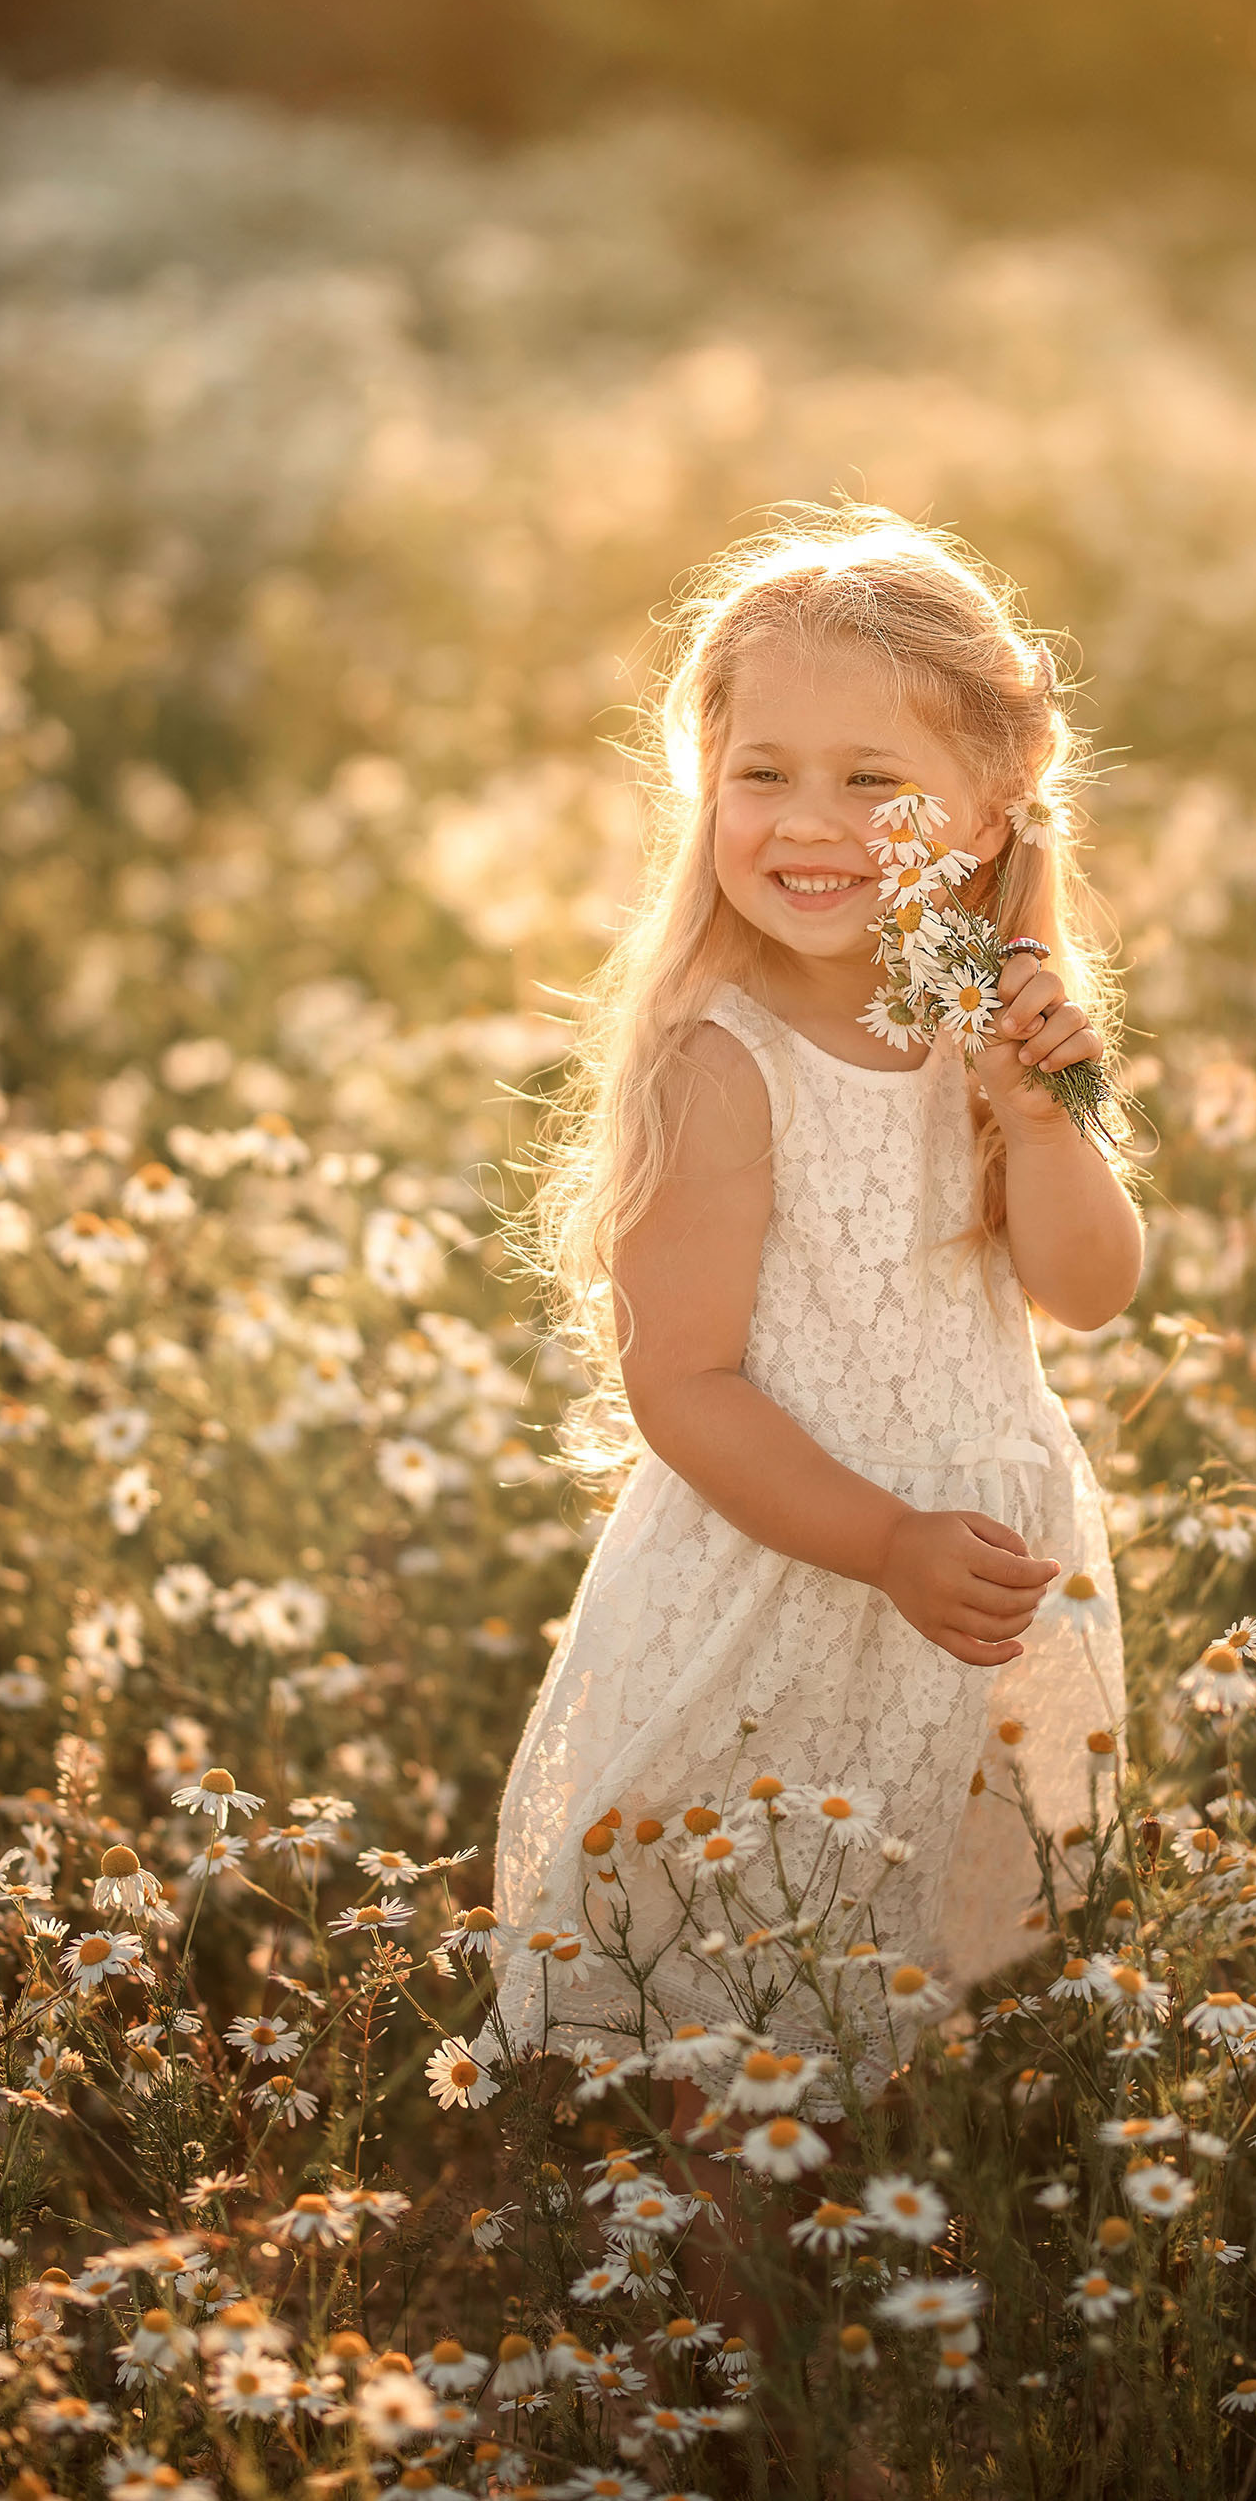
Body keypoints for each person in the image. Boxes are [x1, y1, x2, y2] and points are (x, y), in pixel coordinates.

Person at [489, 506, 1143, 2284]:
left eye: (877, 779)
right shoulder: (726, 1059)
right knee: (740, 2018)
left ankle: (858, 2308)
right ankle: (722, 2364)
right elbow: (683, 1386)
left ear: (993, 811)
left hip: (973, 1579)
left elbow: (1091, 1287)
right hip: (792, 1577)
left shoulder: (995, 1021)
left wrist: (1036, 1115)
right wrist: (880, 1540)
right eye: (761, 769)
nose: (813, 824)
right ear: (701, 790)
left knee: (887, 1981)